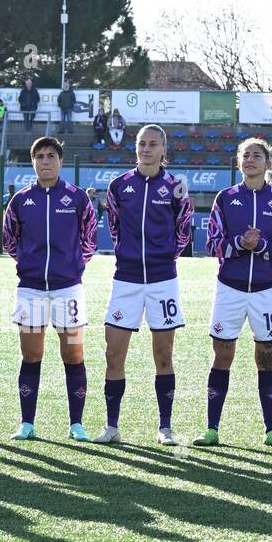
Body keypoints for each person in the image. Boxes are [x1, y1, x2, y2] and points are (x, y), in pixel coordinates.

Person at [196, 138, 272, 448]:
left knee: (266, 359)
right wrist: (241, 243)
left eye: (257, 156)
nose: (251, 160)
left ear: (268, 163)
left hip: (267, 291)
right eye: (246, 156)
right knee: (222, 355)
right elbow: (212, 244)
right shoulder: (225, 199)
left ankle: (271, 431)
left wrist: (262, 246)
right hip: (230, 289)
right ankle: (212, 428)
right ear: (238, 163)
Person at [96, 124, 193, 445]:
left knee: (164, 355)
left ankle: (165, 428)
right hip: (126, 279)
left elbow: (184, 227)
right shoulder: (119, 185)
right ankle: (111, 427)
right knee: (113, 354)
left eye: (153, 144)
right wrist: (129, 256)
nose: (146, 149)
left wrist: (165, 257)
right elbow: (114, 227)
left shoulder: (176, 186)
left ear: (164, 150)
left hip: (163, 280)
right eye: (142, 144)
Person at [2, 136, 98, 441]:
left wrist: (72, 266)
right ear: (33, 162)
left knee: (73, 354)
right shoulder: (19, 200)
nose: (45, 161)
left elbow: (90, 239)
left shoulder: (77, 198)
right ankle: (27, 424)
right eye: (40, 156)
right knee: (31, 355)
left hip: (68, 290)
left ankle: (76, 424)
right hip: (30, 290)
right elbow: (9, 240)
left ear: (60, 161)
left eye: (51, 156)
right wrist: (30, 265)